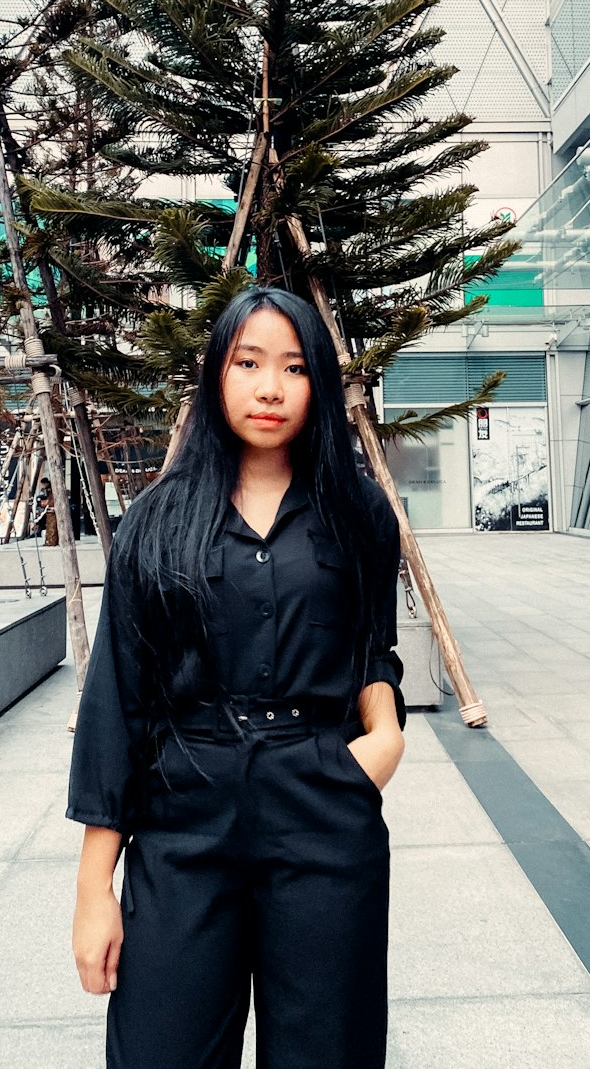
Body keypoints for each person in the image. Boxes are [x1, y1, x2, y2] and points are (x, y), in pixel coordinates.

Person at [68, 285, 406, 1069]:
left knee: (329, 1050)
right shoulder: (158, 520)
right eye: (248, 362)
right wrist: (94, 889)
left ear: (317, 381)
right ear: (217, 374)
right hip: (184, 818)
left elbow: (371, 649)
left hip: (321, 805)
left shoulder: (359, 514)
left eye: (293, 367)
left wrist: (383, 737)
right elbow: (119, 697)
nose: (269, 387)